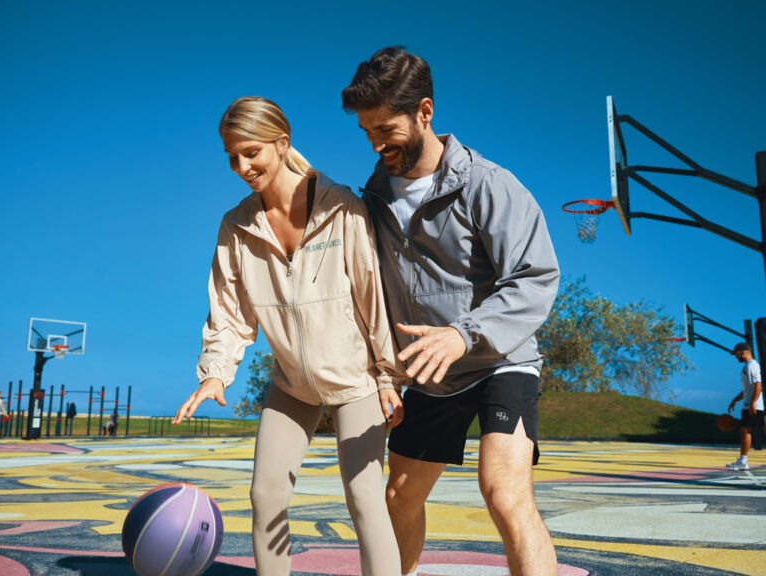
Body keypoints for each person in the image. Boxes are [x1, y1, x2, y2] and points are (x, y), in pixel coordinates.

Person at [342, 46, 560, 576]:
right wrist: (381, 371)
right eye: (366, 130)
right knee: (399, 497)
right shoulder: (369, 201)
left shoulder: (488, 184)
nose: (375, 144)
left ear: (425, 112)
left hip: (498, 361)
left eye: (386, 129)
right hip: (429, 376)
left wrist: (464, 335)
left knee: (505, 492)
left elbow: (536, 277)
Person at [172, 96, 406, 576]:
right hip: (292, 385)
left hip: (357, 380)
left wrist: (387, 376)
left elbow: (373, 296)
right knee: (265, 496)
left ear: (282, 144)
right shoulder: (236, 227)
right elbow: (230, 313)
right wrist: (215, 375)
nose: (242, 166)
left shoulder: (341, 208)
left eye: (251, 152)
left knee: (364, 496)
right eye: (232, 157)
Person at [727, 342, 763, 471]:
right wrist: (734, 400)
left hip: (752, 405)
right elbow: (747, 389)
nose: (735, 357)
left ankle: (743, 461)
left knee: (745, 431)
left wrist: (753, 402)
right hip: (753, 403)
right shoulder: (748, 366)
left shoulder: (751, 365)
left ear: (743, 352)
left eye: (735, 354)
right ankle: (742, 461)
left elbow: (758, 385)